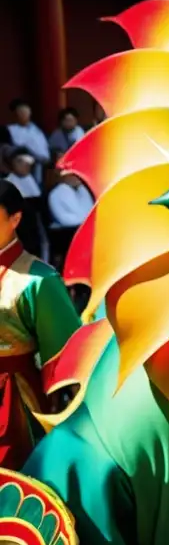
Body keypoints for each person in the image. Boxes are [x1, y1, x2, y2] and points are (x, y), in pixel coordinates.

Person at [0, 181, 82, 468]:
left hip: (12, 401)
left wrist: (77, 417)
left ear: (16, 219)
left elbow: (68, 355)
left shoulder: (39, 279)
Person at [47, 170, 95, 271]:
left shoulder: (80, 191)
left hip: (79, 231)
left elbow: (88, 212)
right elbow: (64, 220)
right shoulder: (56, 194)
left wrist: (82, 188)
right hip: (65, 235)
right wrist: (84, 220)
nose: (78, 178)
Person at [3, 149, 45, 258]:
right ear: (13, 163)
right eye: (21, 162)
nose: (25, 166)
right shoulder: (7, 183)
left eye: (28, 163)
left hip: (34, 227)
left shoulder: (32, 181)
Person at [6, 100, 49, 186]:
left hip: (41, 166)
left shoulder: (36, 129)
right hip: (22, 166)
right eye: (21, 112)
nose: (24, 114)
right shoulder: (10, 129)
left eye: (26, 111)